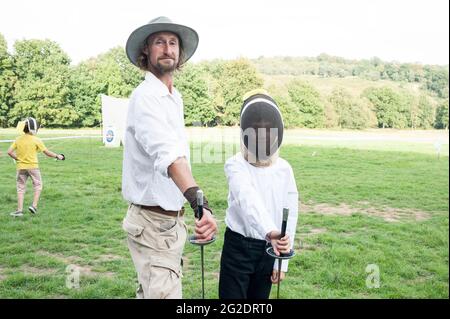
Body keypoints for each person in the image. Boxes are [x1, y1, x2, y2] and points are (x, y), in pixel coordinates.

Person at [121, 16, 217, 299]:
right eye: (159, 42)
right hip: (152, 224)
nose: (167, 49)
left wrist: (193, 207)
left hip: (170, 224)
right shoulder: (146, 97)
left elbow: (179, 157)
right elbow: (170, 156)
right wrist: (202, 203)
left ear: (180, 53)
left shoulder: (174, 97)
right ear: (146, 52)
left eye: (173, 43)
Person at [219, 89, 299, 299]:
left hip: (269, 251)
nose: (262, 136)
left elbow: (290, 216)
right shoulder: (235, 165)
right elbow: (248, 200)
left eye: (267, 131)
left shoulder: (284, 169)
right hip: (238, 248)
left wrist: (282, 262)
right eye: (256, 130)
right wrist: (270, 231)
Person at [7, 117, 65, 217]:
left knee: (20, 188)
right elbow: (47, 153)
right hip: (33, 167)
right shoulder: (36, 139)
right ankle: (34, 206)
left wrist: (18, 159)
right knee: (38, 185)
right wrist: (57, 156)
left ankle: (19, 211)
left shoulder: (18, 139)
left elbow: (9, 152)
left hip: (21, 167)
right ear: (33, 128)